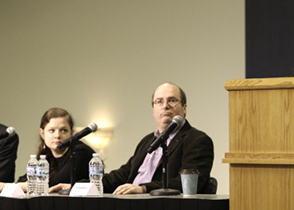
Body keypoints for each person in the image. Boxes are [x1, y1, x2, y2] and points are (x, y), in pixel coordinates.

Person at [50, 82, 214, 195]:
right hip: (131, 204)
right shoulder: (147, 141)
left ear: (184, 108)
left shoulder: (197, 140)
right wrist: (79, 186)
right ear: (153, 110)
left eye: (172, 100)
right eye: (159, 102)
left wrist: (142, 188)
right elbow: (121, 176)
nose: (165, 106)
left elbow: (190, 184)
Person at [0, 107, 94, 194]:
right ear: (42, 133)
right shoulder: (45, 156)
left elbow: (54, 184)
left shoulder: (80, 152)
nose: (57, 136)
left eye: (63, 130)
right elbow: (24, 179)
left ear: (71, 133)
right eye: (52, 130)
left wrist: (6, 186)